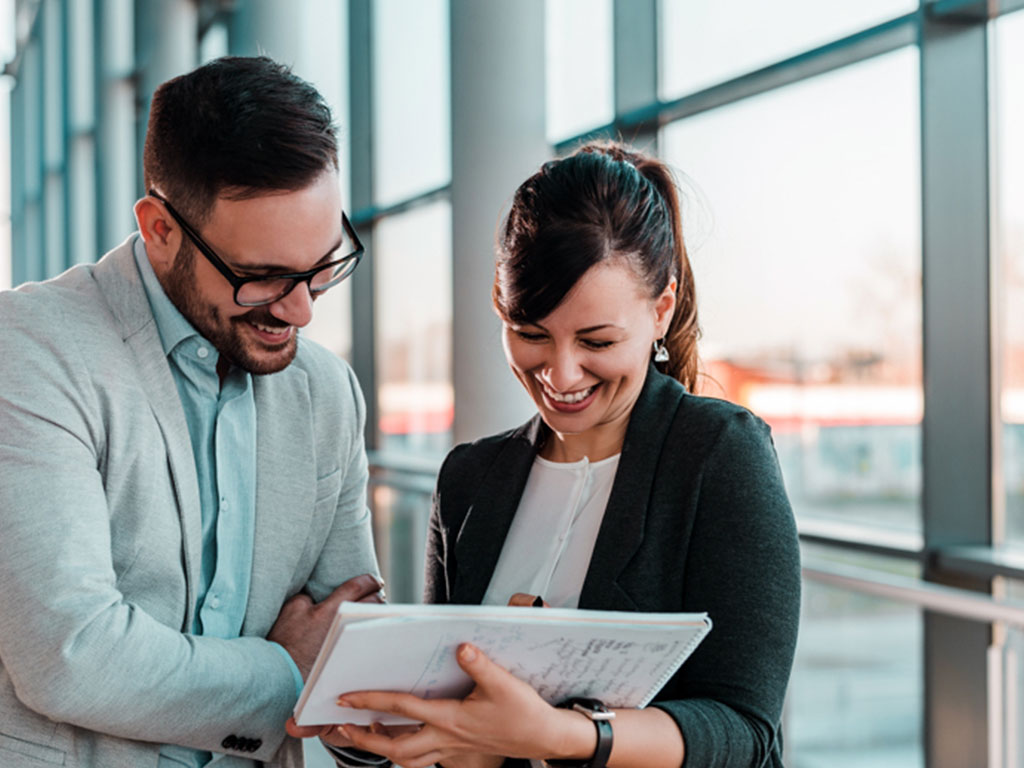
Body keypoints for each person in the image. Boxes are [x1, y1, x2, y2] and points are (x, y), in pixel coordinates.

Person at [292, 142, 801, 768]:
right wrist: (374, 728)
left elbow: (747, 733)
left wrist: (560, 737)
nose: (560, 373)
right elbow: (450, 718)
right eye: (531, 334)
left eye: (597, 340)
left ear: (661, 311)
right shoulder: (470, 480)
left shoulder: (719, 455)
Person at [0, 56, 386, 768]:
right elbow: (70, 653)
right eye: (261, 276)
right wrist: (285, 673)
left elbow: (349, 648)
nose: (300, 309)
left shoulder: (326, 391)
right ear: (161, 229)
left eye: (322, 266)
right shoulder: (28, 351)